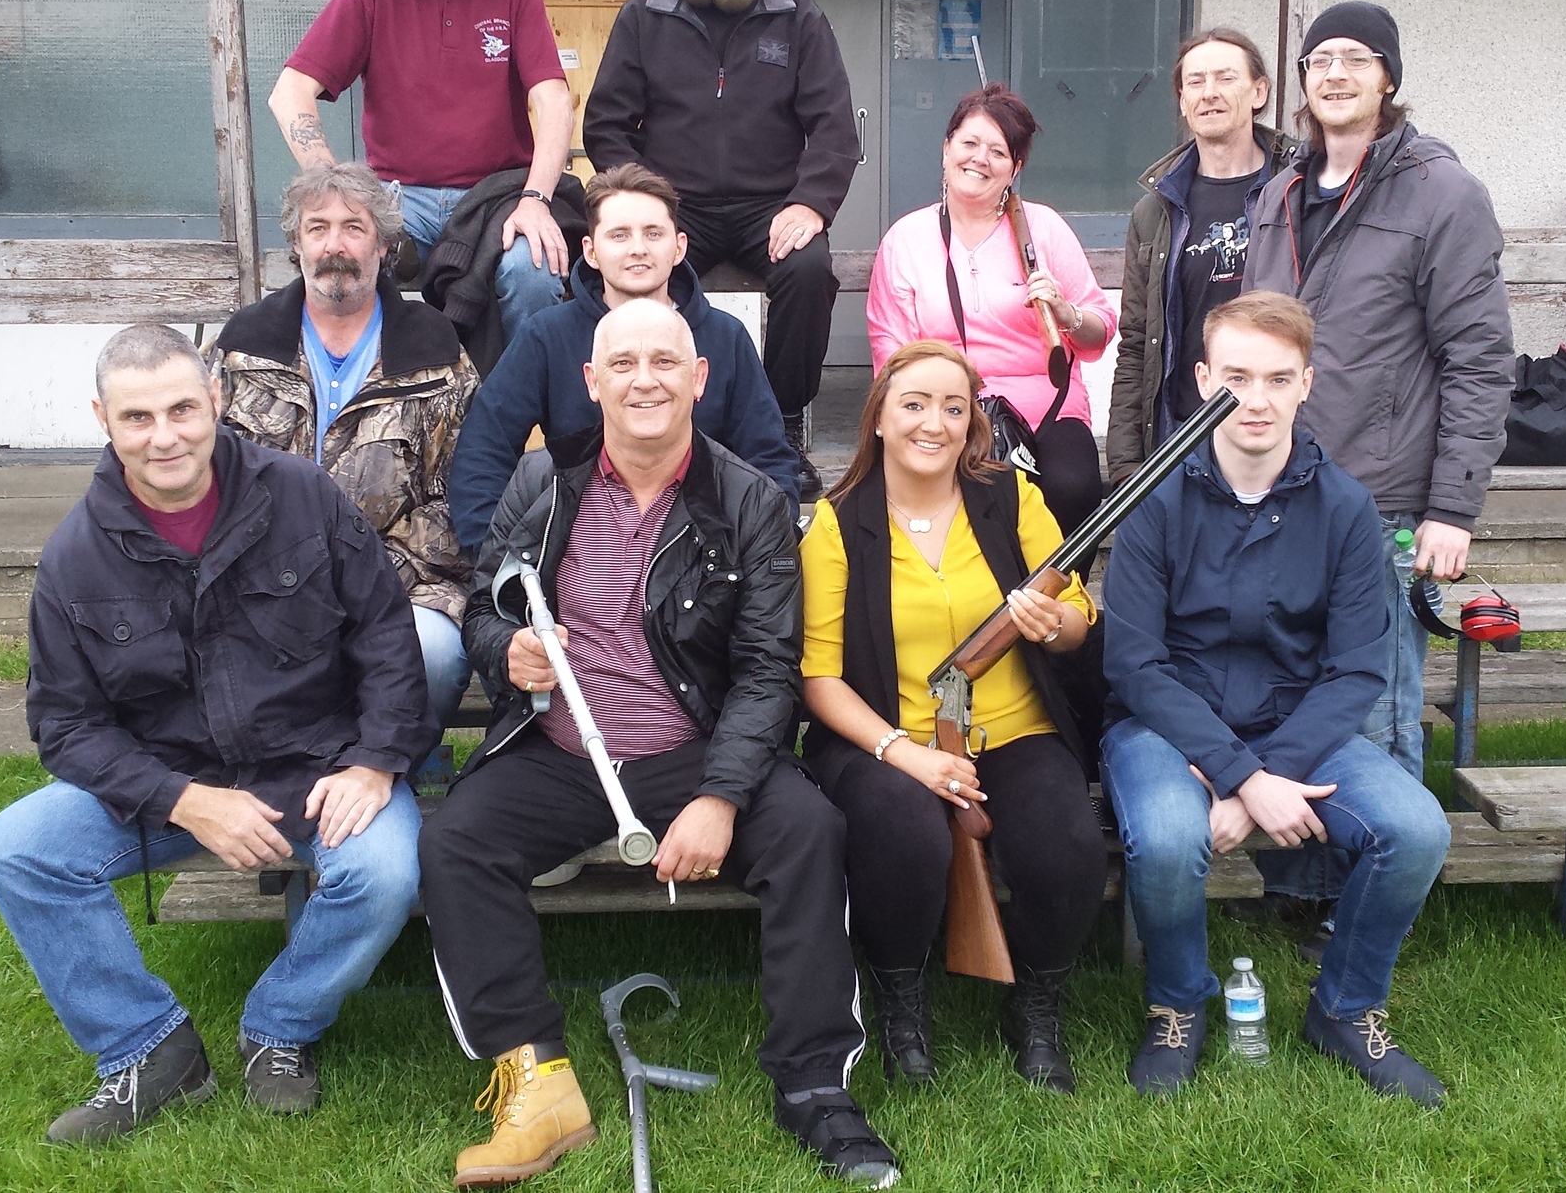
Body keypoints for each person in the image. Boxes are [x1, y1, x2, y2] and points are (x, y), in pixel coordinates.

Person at [421, 301, 896, 1189]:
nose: (646, 379)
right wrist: (508, 649)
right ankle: (536, 1079)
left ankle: (813, 1085)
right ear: (593, 380)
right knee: (455, 841)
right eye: (624, 363)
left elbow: (766, 671)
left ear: (699, 378)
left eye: (665, 362)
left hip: (693, 752)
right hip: (561, 751)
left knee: (806, 832)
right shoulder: (544, 480)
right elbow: (492, 602)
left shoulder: (750, 499)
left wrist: (719, 797)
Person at [0, 324, 437, 1144]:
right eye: (139, 417)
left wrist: (374, 762)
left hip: (314, 765)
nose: (166, 437)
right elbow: (65, 726)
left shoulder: (303, 495)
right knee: (16, 850)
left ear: (216, 401)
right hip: (167, 784)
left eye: (183, 408)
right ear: (103, 420)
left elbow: (386, 635)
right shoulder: (75, 558)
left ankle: (280, 1028)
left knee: (385, 871)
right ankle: (148, 1049)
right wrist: (185, 801)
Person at [1100, 294, 1451, 1107]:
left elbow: (1360, 667)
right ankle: (1178, 1003)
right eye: (1236, 377)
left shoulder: (1345, 508)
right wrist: (1236, 774)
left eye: (1276, 379)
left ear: (1306, 385)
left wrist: (1264, 779)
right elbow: (1135, 663)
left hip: (1298, 726)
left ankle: (1346, 1007)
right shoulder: (1155, 498)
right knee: (1165, 833)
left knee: (1416, 828)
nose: (1255, 399)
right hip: (1166, 724)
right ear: (1201, 380)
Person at [798, 340, 1105, 1092]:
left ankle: (1037, 1006)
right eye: (914, 404)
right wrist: (908, 755)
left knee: (1064, 842)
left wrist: (1047, 623)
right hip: (884, 735)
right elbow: (819, 678)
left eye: (953, 407)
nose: (932, 422)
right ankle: (902, 999)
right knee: (902, 833)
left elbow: (1080, 618)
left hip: (1016, 728)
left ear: (973, 425)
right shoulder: (837, 524)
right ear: (877, 419)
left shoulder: (1013, 498)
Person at [1245, 1, 1513, 790]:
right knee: (1291, 696)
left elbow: (1479, 358)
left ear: (1388, 77)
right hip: (1281, 491)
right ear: (1300, 79)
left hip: (1381, 502)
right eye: (1319, 58)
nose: (1335, 73)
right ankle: (1302, 885)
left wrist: (1452, 509)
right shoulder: (1280, 193)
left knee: (1375, 703)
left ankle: (1375, 889)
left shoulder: (1441, 194)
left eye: (1356, 58)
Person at [584, 0, 857, 501]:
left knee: (810, 271)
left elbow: (836, 128)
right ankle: (647, 424)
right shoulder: (644, 16)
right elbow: (605, 127)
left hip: (771, 207)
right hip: (676, 208)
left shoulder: (799, 18)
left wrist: (811, 204)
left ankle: (784, 425)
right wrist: (645, 205)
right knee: (634, 272)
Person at [270, 0, 576, 351]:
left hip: (496, 196)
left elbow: (553, 98)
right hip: (397, 198)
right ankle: (366, 412)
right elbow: (290, 92)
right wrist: (337, 190)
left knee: (537, 273)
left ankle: (504, 421)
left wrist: (535, 198)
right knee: (339, 270)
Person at [216, 163, 479, 728]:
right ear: (296, 243)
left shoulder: (434, 351)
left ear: (383, 245)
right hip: (259, 576)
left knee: (431, 653)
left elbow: (462, 494)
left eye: (354, 228)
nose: (335, 244)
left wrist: (359, 573)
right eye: (318, 228)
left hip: (401, 583)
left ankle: (399, 764)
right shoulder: (243, 348)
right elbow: (209, 480)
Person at [446, 162, 799, 558]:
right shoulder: (548, 335)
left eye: (653, 233)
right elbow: (484, 449)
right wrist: (497, 558)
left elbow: (768, 460)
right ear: (591, 251)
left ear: (678, 247)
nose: (637, 249)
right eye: (619, 235)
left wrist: (762, 557)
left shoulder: (725, 337)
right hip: (576, 554)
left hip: (701, 557)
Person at [866, 85, 1116, 535]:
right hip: (947, 405)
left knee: (1075, 487)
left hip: (1047, 406)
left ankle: (1050, 599)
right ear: (946, 149)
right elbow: (890, 353)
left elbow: (1099, 332)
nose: (980, 159)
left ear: (1014, 168)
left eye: (998, 151)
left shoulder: (1044, 228)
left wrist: (1064, 311)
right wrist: (925, 410)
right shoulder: (906, 239)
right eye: (969, 143)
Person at [1107, 26, 1303, 486]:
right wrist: (1124, 466)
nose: (1209, 93)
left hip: (1278, 441)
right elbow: (1137, 343)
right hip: (1181, 444)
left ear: (1259, 91)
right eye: (1195, 82)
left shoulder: (1299, 193)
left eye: (1225, 78)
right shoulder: (1156, 210)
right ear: (1181, 99)